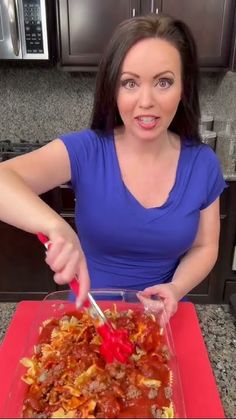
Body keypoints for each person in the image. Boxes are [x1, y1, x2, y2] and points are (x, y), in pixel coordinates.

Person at [0, 14, 226, 321]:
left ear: (183, 88)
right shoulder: (86, 150)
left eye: (164, 82)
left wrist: (175, 288)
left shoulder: (203, 164)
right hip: (90, 319)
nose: (146, 101)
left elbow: (205, 246)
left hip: (161, 319)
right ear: (113, 89)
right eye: (130, 83)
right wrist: (56, 227)